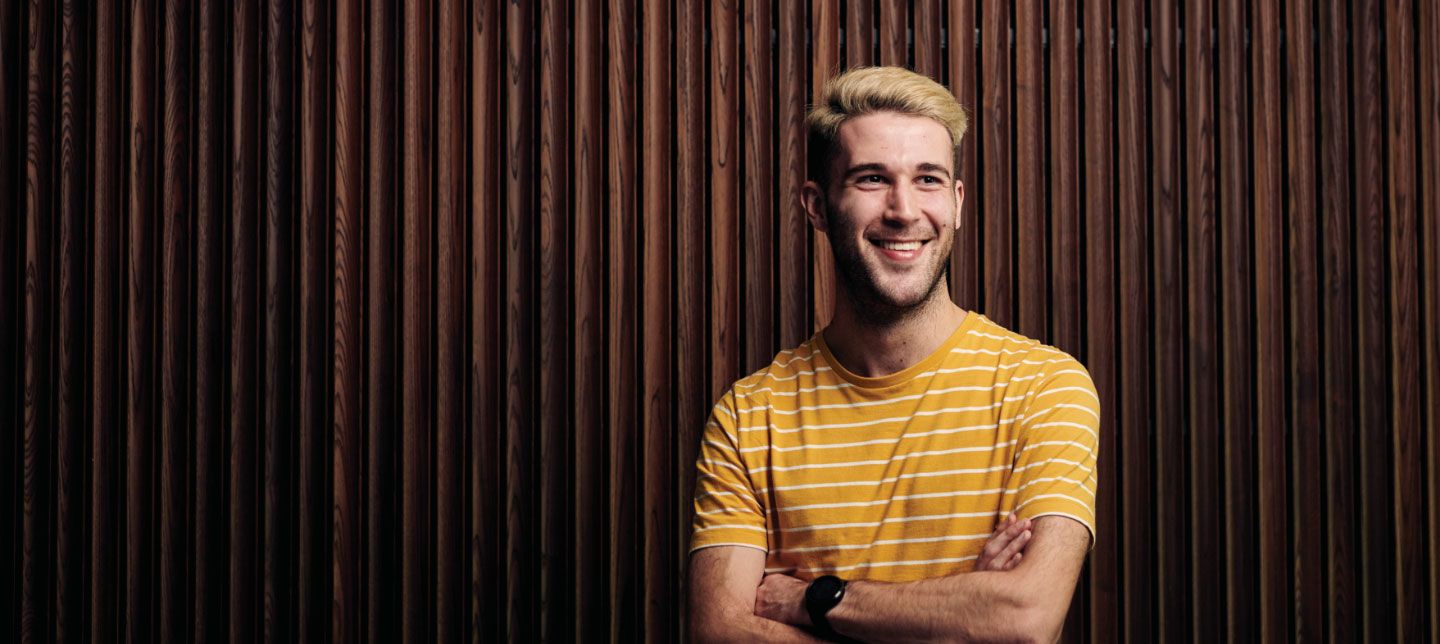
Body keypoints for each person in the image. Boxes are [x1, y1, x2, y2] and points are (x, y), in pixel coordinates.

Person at [687, 66, 1100, 643]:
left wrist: (817, 599)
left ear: (956, 202)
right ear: (816, 206)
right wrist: (954, 617)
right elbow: (719, 631)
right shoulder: (751, 416)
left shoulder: (1044, 388)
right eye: (872, 179)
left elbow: (1024, 617)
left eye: (928, 179)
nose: (904, 210)